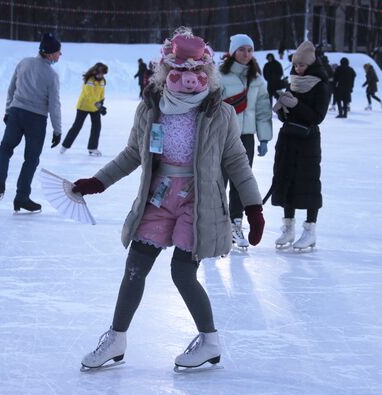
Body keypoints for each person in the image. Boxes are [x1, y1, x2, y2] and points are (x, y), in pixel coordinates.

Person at [74, 27, 265, 371]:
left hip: (198, 201)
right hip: (159, 198)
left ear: (206, 73)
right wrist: (98, 181)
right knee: (135, 267)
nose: (189, 79)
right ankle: (116, 338)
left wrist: (253, 207)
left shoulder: (218, 113)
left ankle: (210, 341)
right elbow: (133, 153)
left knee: (182, 272)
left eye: (196, 72)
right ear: (166, 71)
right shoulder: (151, 110)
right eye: (180, 71)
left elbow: (236, 161)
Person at [0, 32, 62, 212]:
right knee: (31, 159)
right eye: (58, 52)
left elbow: (11, 88)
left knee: (5, 150)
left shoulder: (24, 63)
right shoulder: (52, 75)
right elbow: (54, 104)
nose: (60, 55)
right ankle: (21, 196)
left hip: (16, 113)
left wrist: (8, 111)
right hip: (36, 120)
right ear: (50, 54)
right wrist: (57, 130)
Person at [270, 40, 330, 250]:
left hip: (308, 141)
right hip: (288, 139)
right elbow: (286, 117)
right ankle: (288, 227)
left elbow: (317, 117)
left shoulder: (321, 85)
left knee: (309, 184)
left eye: (302, 65)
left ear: (311, 65)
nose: (298, 68)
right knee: (287, 180)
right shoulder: (293, 82)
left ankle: (310, 229)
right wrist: (281, 109)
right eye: (296, 65)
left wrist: (296, 105)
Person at [219, 34, 272, 248]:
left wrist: (264, 138)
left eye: (249, 50)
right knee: (217, 181)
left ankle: (235, 223)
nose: (246, 54)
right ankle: (214, 223)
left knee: (242, 182)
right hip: (223, 136)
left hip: (246, 138)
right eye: (242, 49)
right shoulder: (220, 76)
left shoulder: (257, 79)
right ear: (233, 52)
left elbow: (262, 110)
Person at [60, 62, 108, 156]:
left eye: (103, 74)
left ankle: (92, 148)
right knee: (77, 126)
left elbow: (102, 93)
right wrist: (99, 106)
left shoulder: (102, 81)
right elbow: (89, 95)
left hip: (95, 107)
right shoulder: (89, 80)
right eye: (100, 73)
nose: (101, 75)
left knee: (97, 126)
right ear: (95, 71)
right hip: (84, 106)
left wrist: (101, 103)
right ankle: (65, 146)